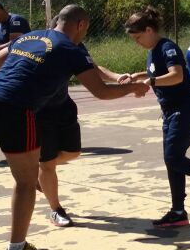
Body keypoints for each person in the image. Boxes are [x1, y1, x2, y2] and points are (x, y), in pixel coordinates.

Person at [0, 4, 148, 250]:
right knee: (25, 181)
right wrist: (131, 89)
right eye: (86, 30)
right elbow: (101, 92)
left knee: (34, 171)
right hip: (17, 111)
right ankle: (17, 249)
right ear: (81, 25)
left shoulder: (28, 37)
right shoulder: (70, 49)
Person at [125, 7, 190, 228]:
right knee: (172, 160)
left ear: (148, 30)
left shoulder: (167, 47)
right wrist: (137, 75)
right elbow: (157, 71)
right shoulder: (153, 51)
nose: (137, 42)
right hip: (170, 112)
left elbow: (176, 75)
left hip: (185, 109)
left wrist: (151, 82)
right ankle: (178, 211)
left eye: (137, 37)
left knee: (174, 158)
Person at [36, 57, 132, 228]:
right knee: (47, 162)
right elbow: (101, 92)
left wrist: (116, 76)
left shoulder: (74, 45)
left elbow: (92, 68)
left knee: (73, 152)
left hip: (64, 106)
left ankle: (40, 171)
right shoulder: (40, 43)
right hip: (39, 110)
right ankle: (56, 209)